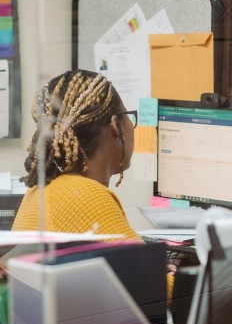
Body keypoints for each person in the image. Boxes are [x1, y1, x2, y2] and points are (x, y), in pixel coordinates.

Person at [12, 69, 141, 241]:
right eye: (128, 117)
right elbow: (144, 266)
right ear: (115, 125)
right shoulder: (86, 195)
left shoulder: (40, 189)